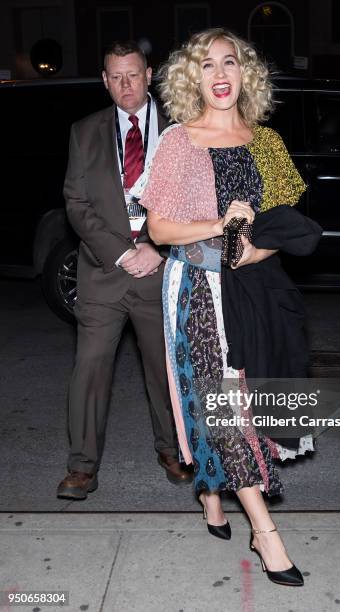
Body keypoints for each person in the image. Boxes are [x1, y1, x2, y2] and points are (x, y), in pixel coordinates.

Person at [135, 28, 322, 586]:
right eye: (207, 64)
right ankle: (267, 535)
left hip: (257, 291)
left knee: (255, 404)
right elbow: (161, 228)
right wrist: (219, 225)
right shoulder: (179, 141)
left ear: (247, 73)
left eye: (230, 62)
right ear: (192, 77)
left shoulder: (267, 142)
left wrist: (258, 246)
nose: (220, 73)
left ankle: (211, 493)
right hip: (196, 288)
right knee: (224, 410)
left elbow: (288, 221)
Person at [57, 40, 192, 500]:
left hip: (161, 270)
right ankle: (81, 467)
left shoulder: (179, 128)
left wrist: (155, 245)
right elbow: (76, 205)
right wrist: (121, 252)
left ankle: (173, 449)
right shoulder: (85, 131)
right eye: (115, 76)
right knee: (89, 369)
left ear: (149, 74)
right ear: (104, 80)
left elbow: (193, 200)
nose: (125, 85)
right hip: (102, 273)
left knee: (164, 369)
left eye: (132, 74)